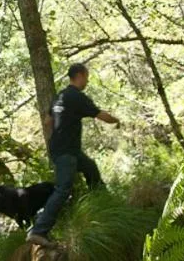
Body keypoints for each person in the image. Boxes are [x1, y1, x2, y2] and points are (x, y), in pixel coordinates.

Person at [27, 63, 119, 247]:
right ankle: (38, 231)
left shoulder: (59, 97)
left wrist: (63, 127)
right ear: (80, 75)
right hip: (66, 151)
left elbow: (47, 121)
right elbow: (101, 115)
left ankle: (106, 207)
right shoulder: (76, 97)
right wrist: (116, 120)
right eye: (86, 76)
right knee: (63, 189)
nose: (87, 80)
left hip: (65, 149)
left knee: (91, 169)